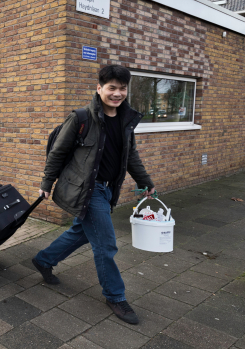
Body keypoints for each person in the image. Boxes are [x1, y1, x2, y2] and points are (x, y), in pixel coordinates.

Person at [33, 65, 155, 326]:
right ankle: (115, 296)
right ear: (99, 88)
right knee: (106, 244)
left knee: (80, 233)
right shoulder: (80, 118)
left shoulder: (126, 120)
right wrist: (46, 182)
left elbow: (130, 156)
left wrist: (145, 182)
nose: (117, 93)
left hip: (109, 188)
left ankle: (43, 260)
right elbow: (57, 153)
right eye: (112, 88)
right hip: (88, 190)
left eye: (122, 88)